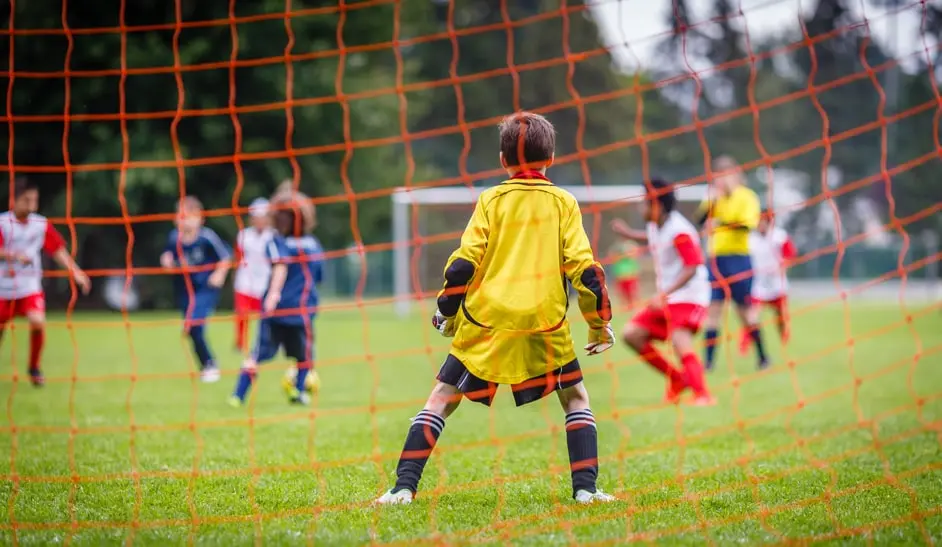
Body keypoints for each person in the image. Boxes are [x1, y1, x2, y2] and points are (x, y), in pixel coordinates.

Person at [375, 112, 616, 506]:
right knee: (575, 399)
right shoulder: (564, 203)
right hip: (543, 323)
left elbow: (462, 266)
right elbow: (585, 270)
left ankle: (403, 488)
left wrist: (447, 313)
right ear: (551, 158)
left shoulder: (490, 199)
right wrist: (598, 323)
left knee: (441, 398)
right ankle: (586, 490)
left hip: (486, 321)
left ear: (503, 160)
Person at [611, 179, 714, 405]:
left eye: (644, 202)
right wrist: (629, 234)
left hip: (690, 297)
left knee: (679, 339)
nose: (640, 207)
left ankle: (703, 396)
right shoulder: (656, 225)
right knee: (631, 334)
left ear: (656, 205)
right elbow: (653, 239)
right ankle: (677, 379)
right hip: (669, 297)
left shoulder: (680, 231)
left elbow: (693, 265)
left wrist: (664, 294)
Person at [229, 186, 323, 406]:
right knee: (305, 356)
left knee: (258, 355)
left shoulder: (276, 242)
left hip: (276, 309)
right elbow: (316, 277)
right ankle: (298, 391)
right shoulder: (314, 245)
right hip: (302, 309)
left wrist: (273, 294)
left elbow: (279, 266)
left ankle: (237, 396)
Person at [0, 177, 91, 386]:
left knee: (38, 321)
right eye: (27, 200)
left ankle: (34, 367)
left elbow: (57, 249)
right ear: (14, 200)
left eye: (35, 200)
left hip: (29, 287)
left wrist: (76, 272)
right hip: (3, 288)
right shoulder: (3, 223)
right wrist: (13, 255)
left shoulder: (40, 224)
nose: (32, 205)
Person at [696, 156, 768, 371]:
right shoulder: (713, 196)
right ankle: (708, 363)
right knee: (713, 311)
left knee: (745, 312)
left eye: (726, 174)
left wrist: (721, 222)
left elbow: (748, 225)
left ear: (736, 174)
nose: (722, 179)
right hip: (715, 260)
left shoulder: (747, 196)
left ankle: (763, 357)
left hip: (739, 259)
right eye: (718, 175)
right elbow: (700, 220)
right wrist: (713, 201)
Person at [160, 196, 232, 383]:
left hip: (205, 289)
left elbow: (225, 257)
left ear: (200, 218)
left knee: (195, 325)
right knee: (192, 330)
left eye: (189, 216)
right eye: (181, 216)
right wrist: (166, 261)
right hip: (185, 290)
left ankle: (210, 364)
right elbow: (168, 255)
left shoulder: (207, 237)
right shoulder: (174, 238)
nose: (185, 221)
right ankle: (207, 363)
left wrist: (219, 274)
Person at [739, 209, 796, 353]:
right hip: (758, 284)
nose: (760, 225)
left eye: (763, 222)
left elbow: (790, 255)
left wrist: (783, 267)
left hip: (777, 285)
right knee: (752, 315)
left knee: (780, 316)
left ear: (769, 222)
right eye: (758, 222)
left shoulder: (780, 237)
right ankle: (745, 345)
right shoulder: (750, 239)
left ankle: (784, 337)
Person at [233, 198, 275, 353]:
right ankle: (241, 343)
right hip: (245, 279)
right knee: (242, 312)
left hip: (265, 281)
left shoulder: (273, 236)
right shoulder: (244, 235)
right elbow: (238, 258)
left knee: (267, 315)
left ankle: (266, 342)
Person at [608, 239, 640, 309]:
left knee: (631, 293)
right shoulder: (618, 257)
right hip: (620, 278)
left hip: (630, 277)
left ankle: (632, 305)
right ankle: (626, 305)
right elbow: (612, 256)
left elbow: (635, 252)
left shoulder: (631, 258)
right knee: (622, 293)